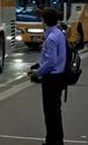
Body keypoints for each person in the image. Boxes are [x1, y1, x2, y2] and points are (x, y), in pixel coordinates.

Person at [28, 8, 67, 145]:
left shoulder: (51, 38)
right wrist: (38, 65)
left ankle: (53, 141)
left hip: (52, 79)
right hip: (59, 76)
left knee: (51, 113)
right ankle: (56, 140)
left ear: (44, 20)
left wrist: (37, 73)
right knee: (55, 111)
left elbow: (51, 62)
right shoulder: (59, 34)